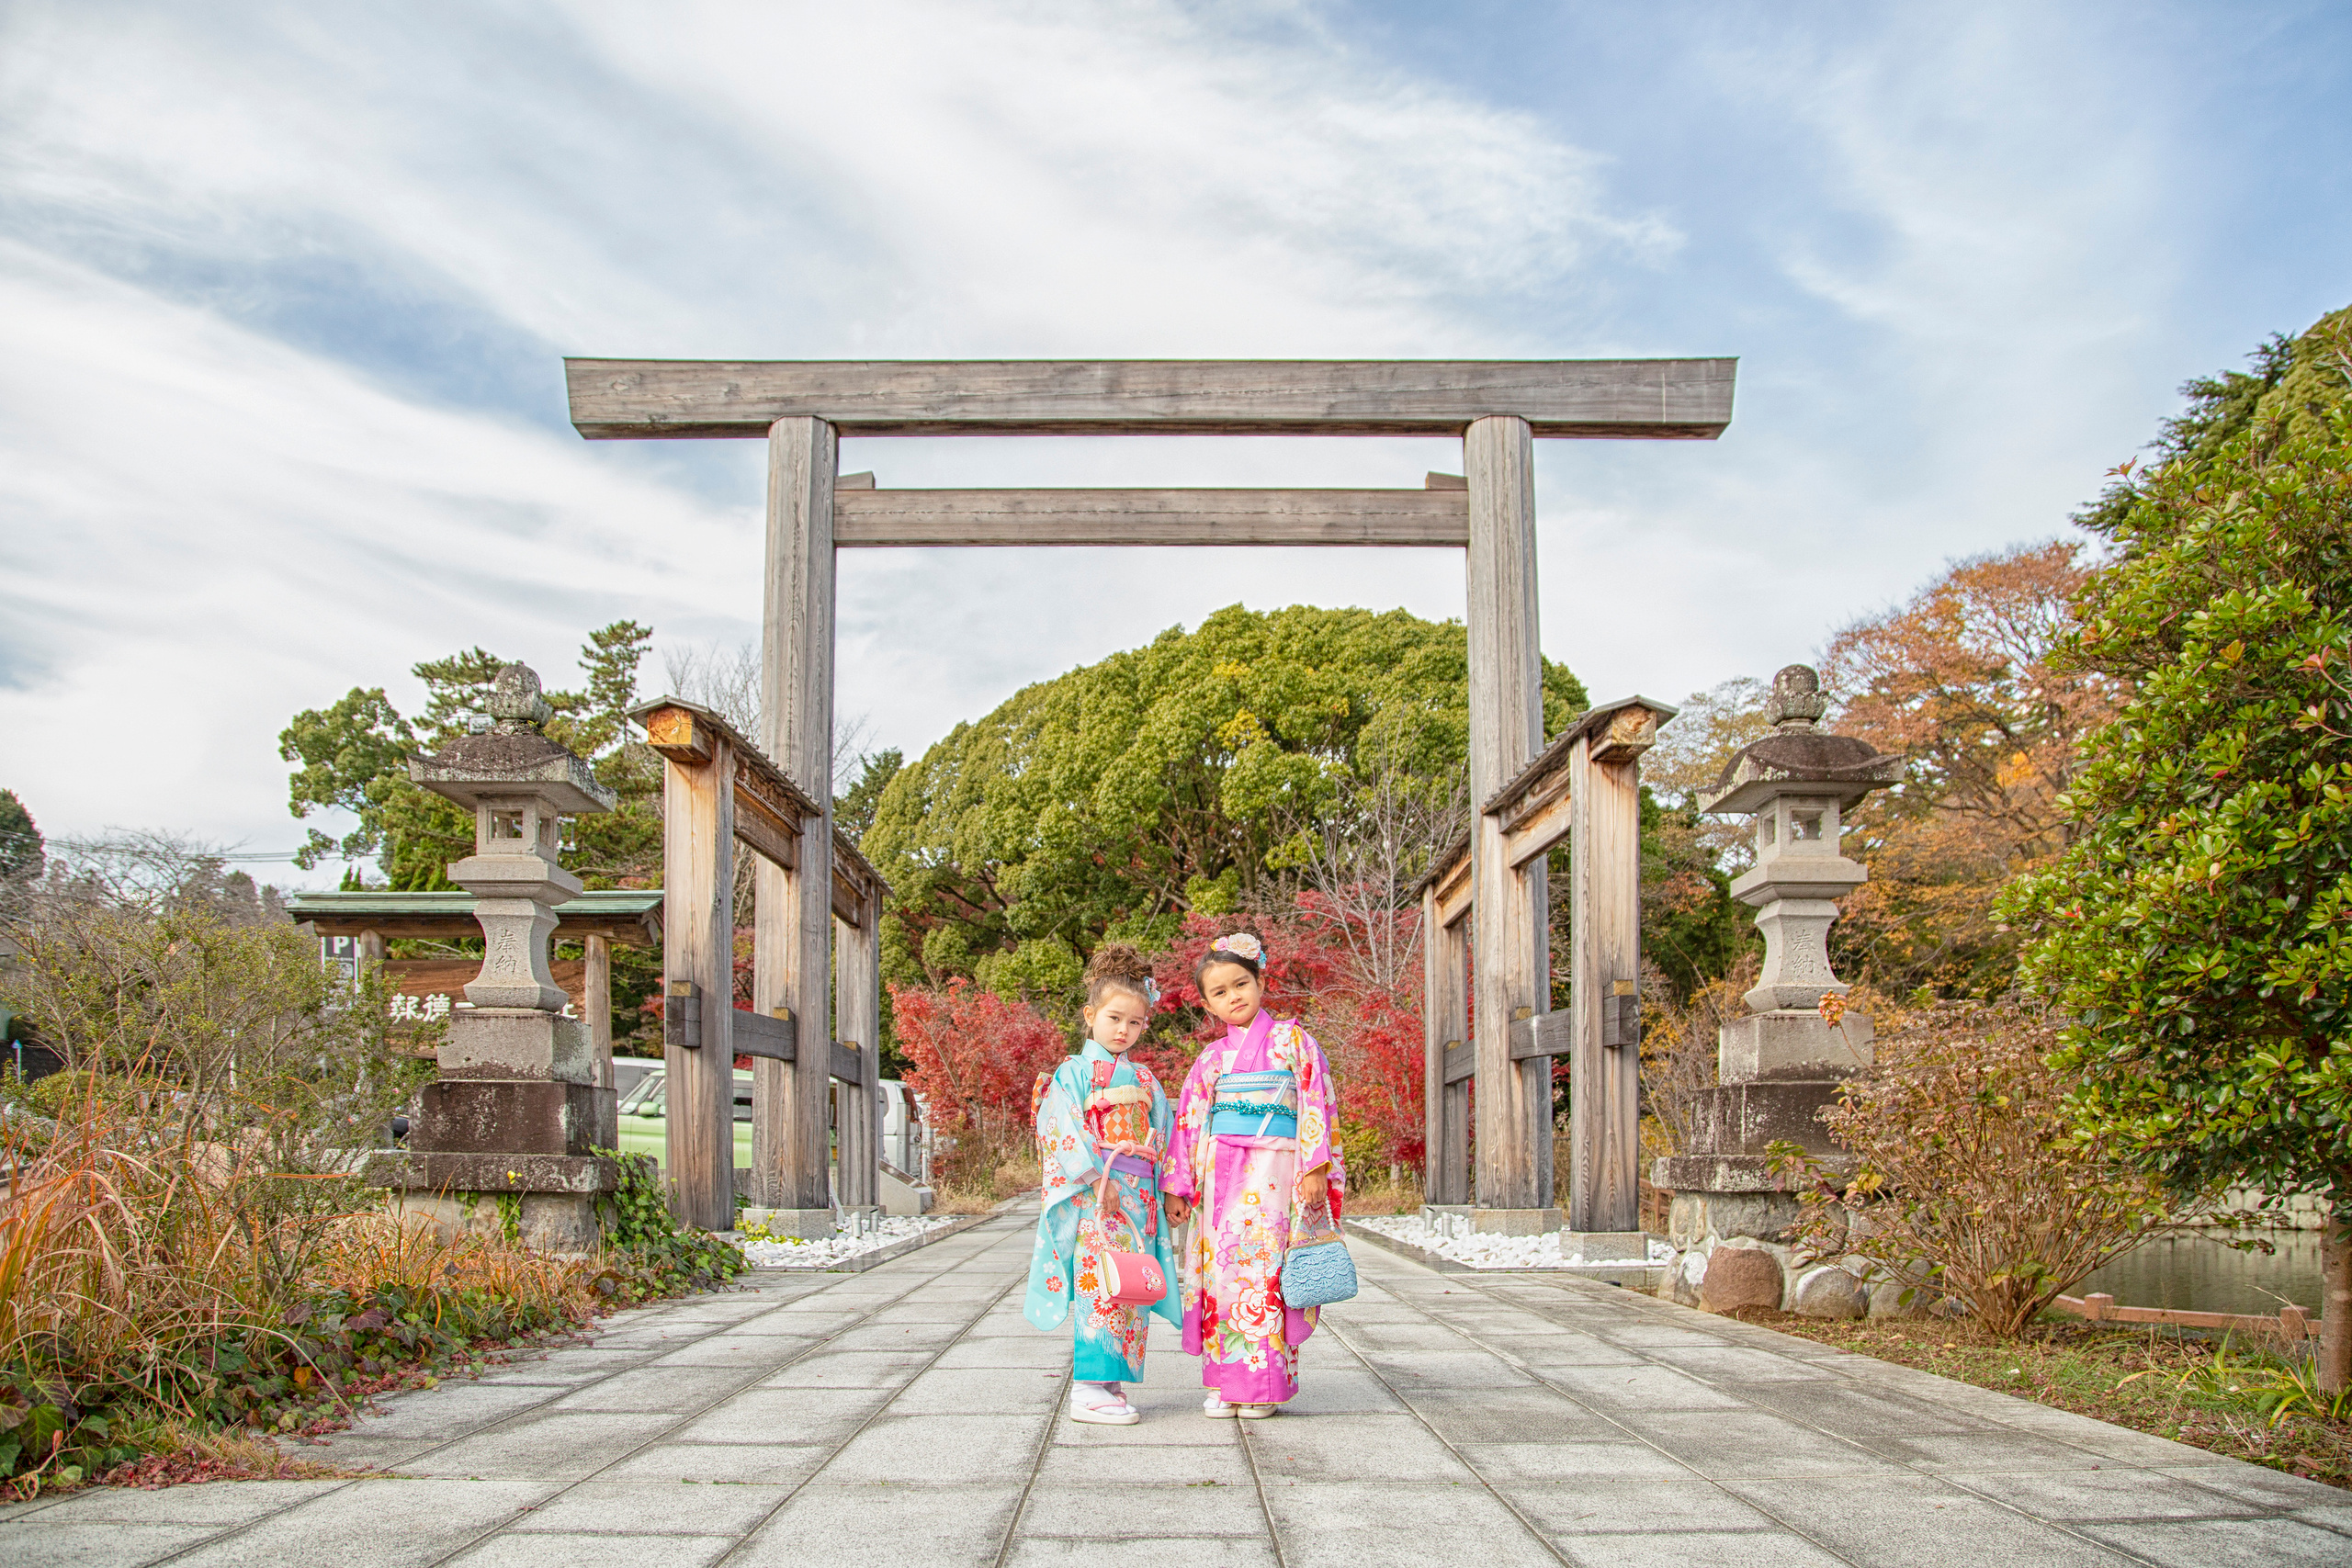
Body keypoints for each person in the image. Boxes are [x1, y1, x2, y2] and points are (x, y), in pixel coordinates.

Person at [1163, 931, 1344, 1418]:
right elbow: (1189, 1121)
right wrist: (1179, 1186)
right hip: (1221, 1175)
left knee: (1267, 1272)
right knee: (1221, 1272)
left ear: (1261, 982)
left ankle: (1262, 1387)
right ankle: (1225, 1383)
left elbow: (1317, 1103)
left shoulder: (1294, 1041)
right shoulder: (1210, 1059)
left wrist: (1315, 1166)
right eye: (1219, 992)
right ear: (1207, 1005)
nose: (1233, 997)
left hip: (1276, 1172)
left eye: (1241, 984)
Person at [1024, 942, 1183, 1425]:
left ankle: (1112, 1383)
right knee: (1102, 1282)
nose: (1123, 1030)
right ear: (1090, 1015)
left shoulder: (1147, 1080)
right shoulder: (1072, 1072)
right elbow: (1062, 1130)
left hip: (1140, 1196)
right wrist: (1097, 1179)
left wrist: (1171, 1191)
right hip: (1099, 1195)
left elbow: (1167, 1136)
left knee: (1132, 1285)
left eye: (1135, 1022)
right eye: (1114, 1018)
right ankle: (1089, 1388)